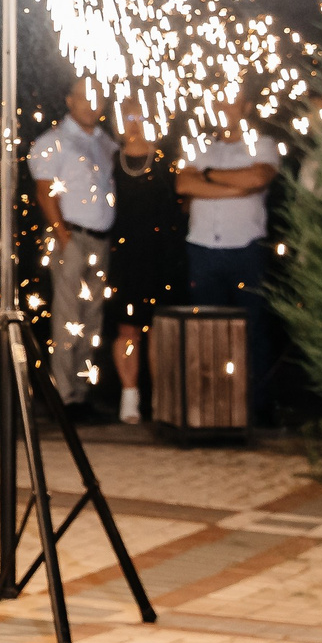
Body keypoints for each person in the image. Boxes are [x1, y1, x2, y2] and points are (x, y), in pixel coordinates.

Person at [179, 95, 280, 427]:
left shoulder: (262, 144)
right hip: (202, 248)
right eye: (218, 103)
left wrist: (206, 176)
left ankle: (257, 406)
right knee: (207, 329)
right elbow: (183, 182)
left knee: (252, 328)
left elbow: (257, 179)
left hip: (246, 247)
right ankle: (211, 406)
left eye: (231, 103)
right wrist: (234, 186)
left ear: (246, 107)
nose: (223, 109)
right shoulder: (198, 144)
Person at [26, 79, 116, 417]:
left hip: (100, 238)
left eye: (98, 98)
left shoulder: (105, 142)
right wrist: (64, 238)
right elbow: (44, 192)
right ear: (69, 101)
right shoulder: (53, 141)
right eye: (84, 98)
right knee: (68, 319)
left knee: (91, 320)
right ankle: (62, 397)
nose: (92, 105)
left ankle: (81, 394)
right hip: (71, 237)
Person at [107, 112, 183, 425]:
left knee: (160, 328)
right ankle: (129, 397)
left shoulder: (168, 159)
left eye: (141, 115)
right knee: (128, 328)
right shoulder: (110, 159)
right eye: (127, 115)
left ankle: (161, 399)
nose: (134, 122)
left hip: (163, 253)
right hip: (124, 254)